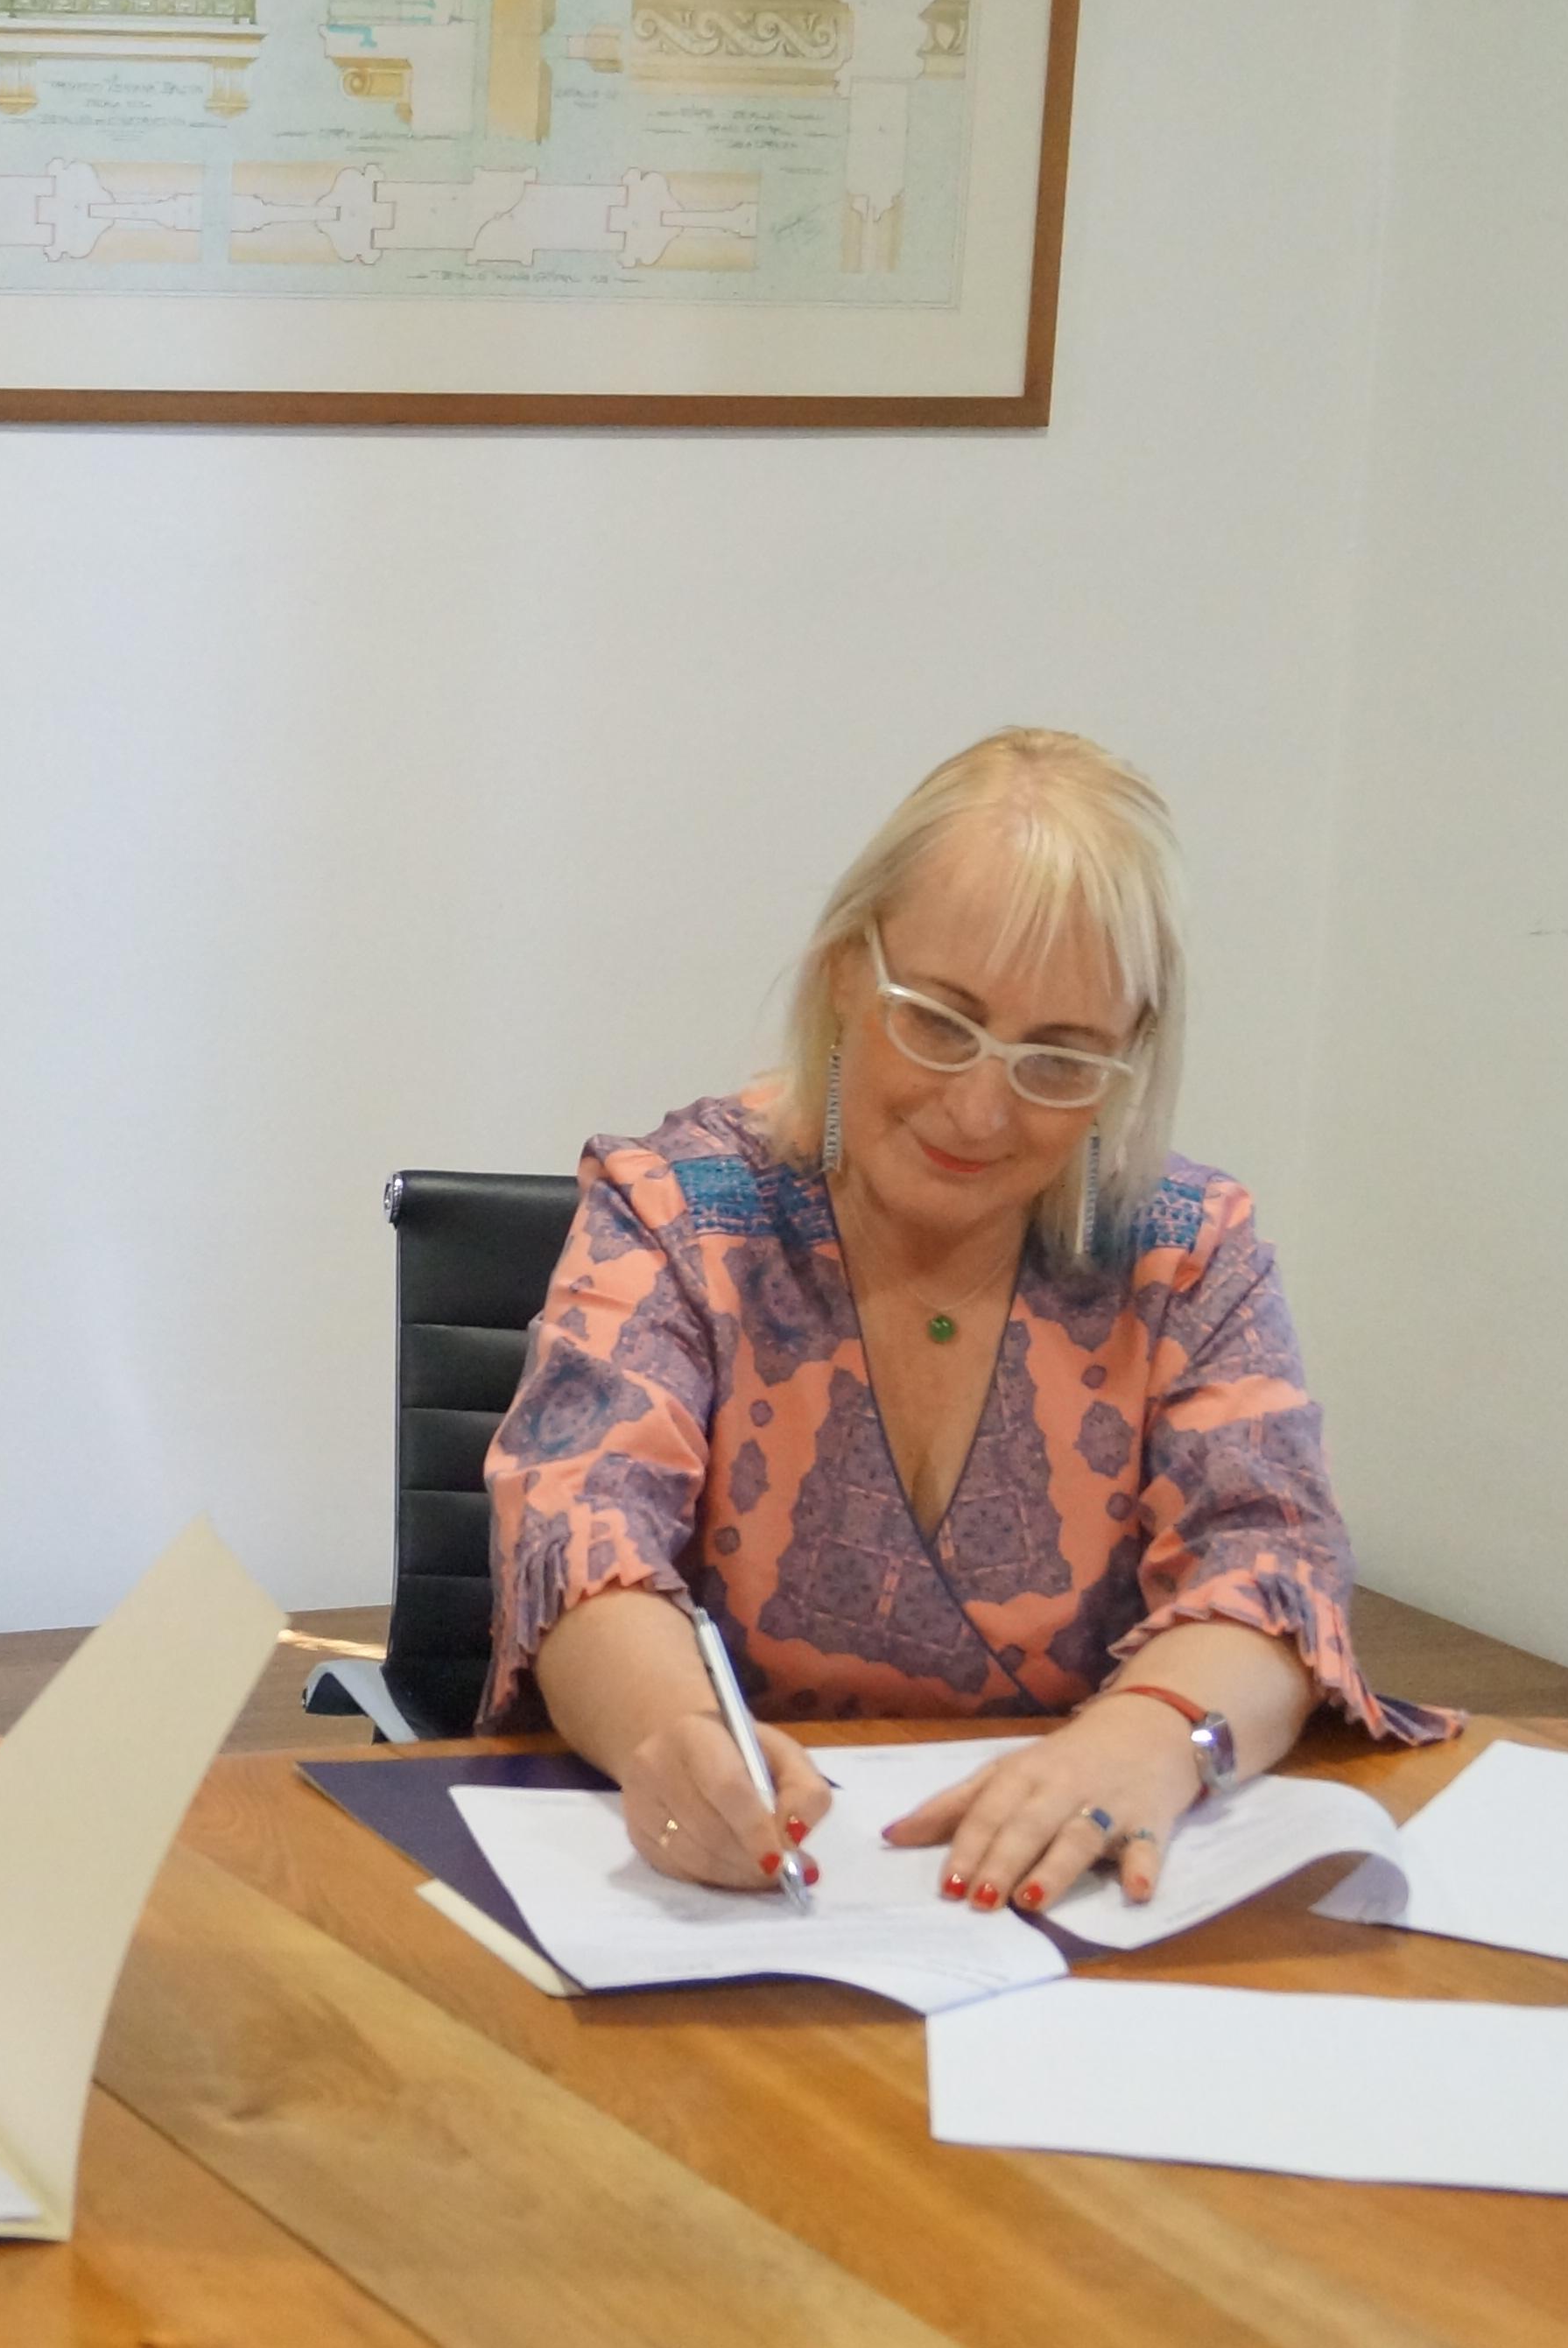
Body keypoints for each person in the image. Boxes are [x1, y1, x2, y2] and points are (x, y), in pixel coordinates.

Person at [488, 729, 1447, 1917]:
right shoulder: (678, 1211)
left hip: (1072, 1910)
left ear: (1130, 1059)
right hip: (742, 1903)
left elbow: (1274, 1567)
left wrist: (1149, 1741)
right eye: (939, 1022)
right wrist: (673, 1736)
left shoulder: (1191, 1252)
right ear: (846, 973)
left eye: (1059, 1058)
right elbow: (579, 1536)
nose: (982, 1109)